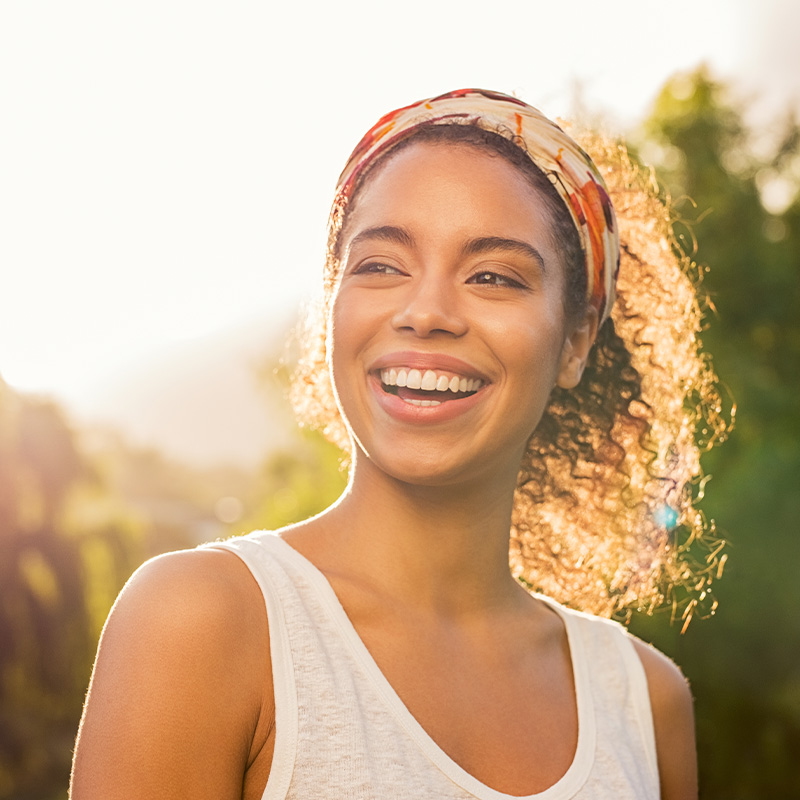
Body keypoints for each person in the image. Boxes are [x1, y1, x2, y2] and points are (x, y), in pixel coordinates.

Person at [70, 89, 727, 799]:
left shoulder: (645, 704)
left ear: (575, 340)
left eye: (493, 276)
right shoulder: (202, 622)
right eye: (381, 265)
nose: (426, 313)